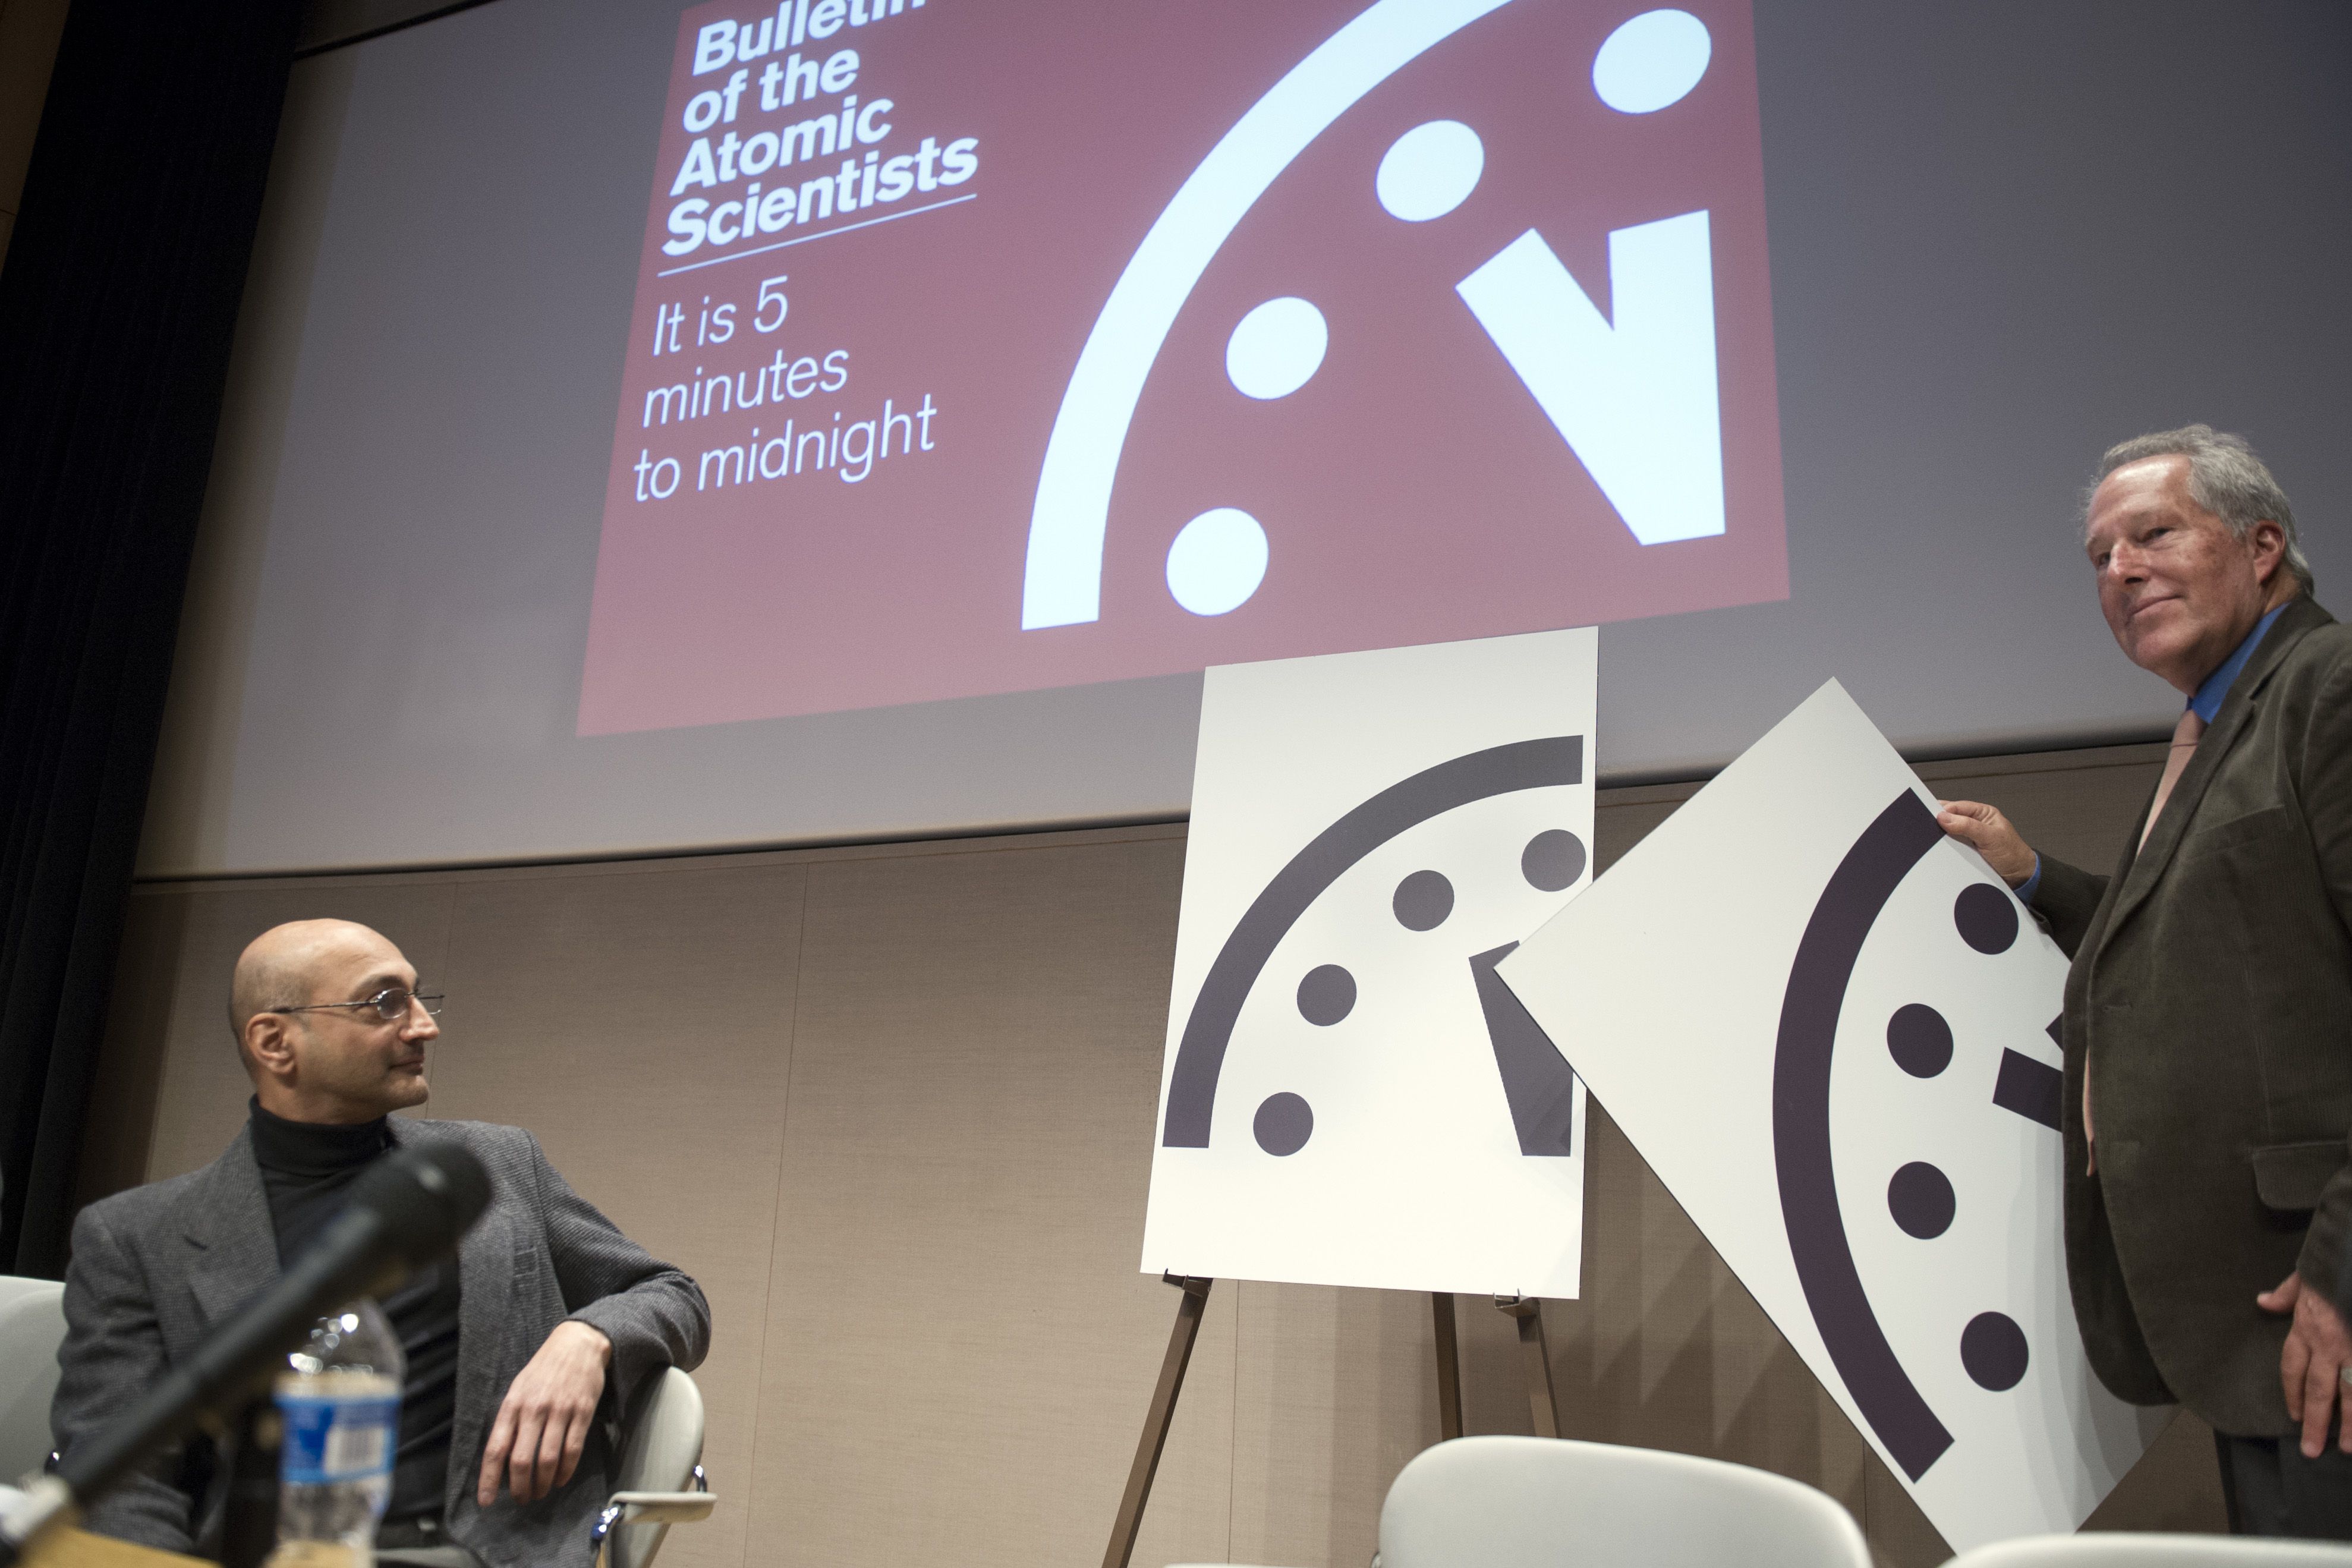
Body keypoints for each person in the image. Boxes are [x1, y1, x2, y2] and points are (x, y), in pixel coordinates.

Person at [1939, 425, 2352, 1538]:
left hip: (2319, 1298)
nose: (2119, 570)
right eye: (2098, 556)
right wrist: (2033, 877)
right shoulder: (2214, 722)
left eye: (2154, 534)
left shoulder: (2329, 686)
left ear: (2261, 545)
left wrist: (2345, 1270)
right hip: (2255, 1314)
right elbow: (2205, 942)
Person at [51, 919, 711, 1567]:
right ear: (275, 1042)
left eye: (419, 997)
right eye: (385, 1002)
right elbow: (125, 1482)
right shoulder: (136, 1235)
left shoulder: (493, 1164)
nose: (424, 1026)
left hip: (493, 1552)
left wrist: (588, 1337)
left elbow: (673, 1294)